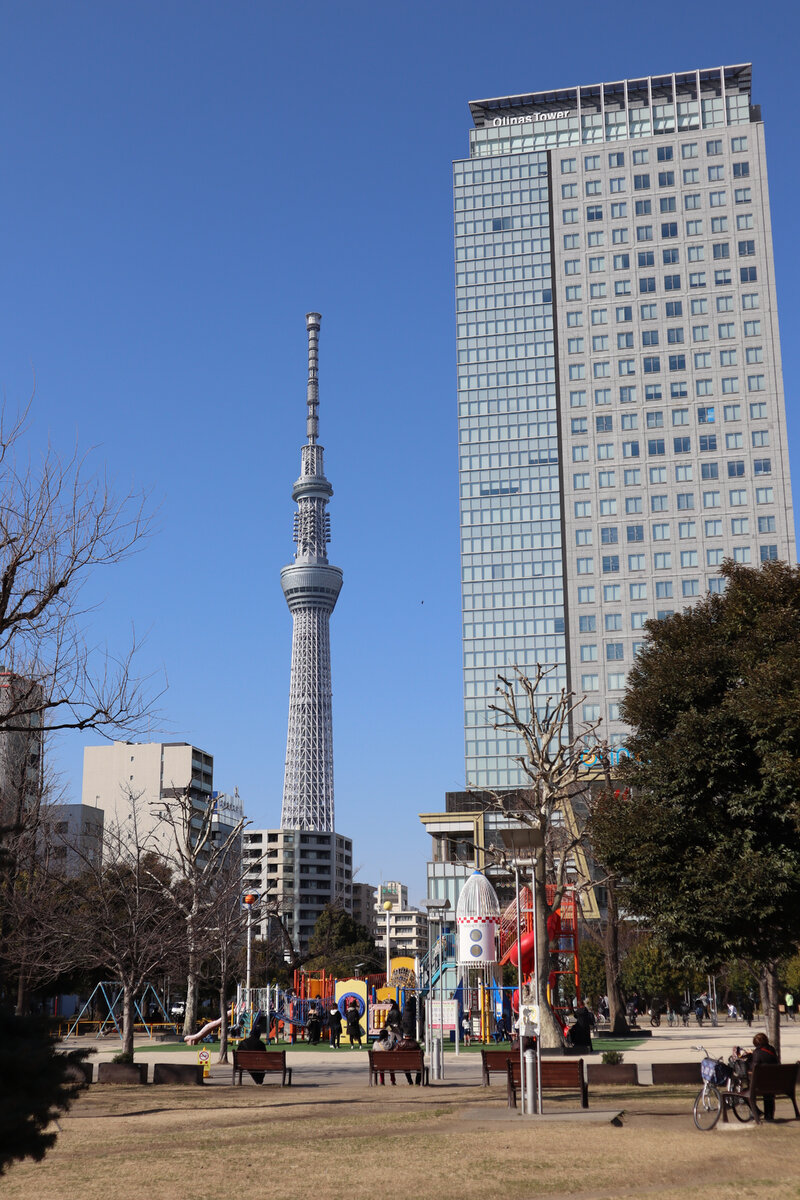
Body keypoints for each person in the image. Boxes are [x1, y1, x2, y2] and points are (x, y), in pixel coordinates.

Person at [737, 1033, 779, 1121]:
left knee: (744, 1092)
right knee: (768, 1094)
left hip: (759, 1086)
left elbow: (754, 1068)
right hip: (774, 1084)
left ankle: (757, 1112)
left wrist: (751, 1058)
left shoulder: (757, 1053)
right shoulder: (772, 1050)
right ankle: (769, 1116)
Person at [237, 1015, 268, 1084]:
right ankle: (259, 1080)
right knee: (259, 1066)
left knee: (253, 1066)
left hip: (243, 1063)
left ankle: (257, 1080)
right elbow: (264, 1056)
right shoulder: (261, 1044)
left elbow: (238, 1051)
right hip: (256, 1064)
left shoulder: (243, 1042)